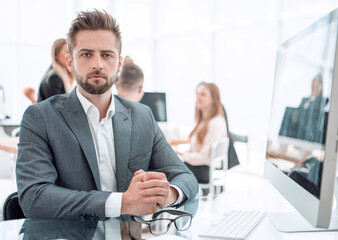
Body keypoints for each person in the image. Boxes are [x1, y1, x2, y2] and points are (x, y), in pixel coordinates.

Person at [16, 10, 198, 221]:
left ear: (119, 63)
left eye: (106, 55)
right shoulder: (41, 117)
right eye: (86, 54)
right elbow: (34, 198)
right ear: (69, 62)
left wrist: (169, 194)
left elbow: (185, 177)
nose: (98, 64)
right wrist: (123, 203)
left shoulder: (141, 116)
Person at [177, 82, 227, 184]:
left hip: (202, 170)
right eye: (197, 93)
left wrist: (184, 156)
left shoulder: (215, 123)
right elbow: (196, 148)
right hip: (198, 166)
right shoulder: (203, 121)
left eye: (203, 94)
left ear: (213, 99)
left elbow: (205, 157)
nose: (198, 98)